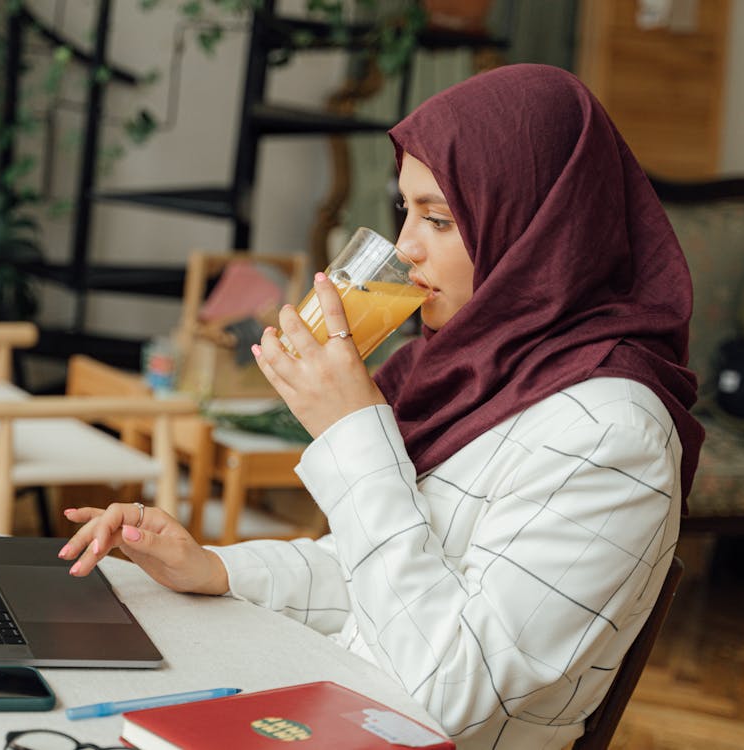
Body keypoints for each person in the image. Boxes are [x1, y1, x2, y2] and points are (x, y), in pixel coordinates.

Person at [58, 64, 704, 749]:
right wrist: (214, 568)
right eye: (406, 212)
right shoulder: (481, 376)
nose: (405, 249)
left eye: (440, 219)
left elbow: (446, 698)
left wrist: (350, 431)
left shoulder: (608, 433)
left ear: (536, 230)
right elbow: (385, 576)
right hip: (327, 708)